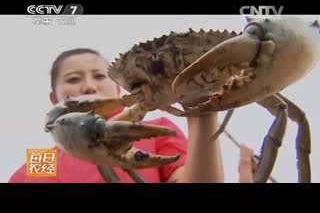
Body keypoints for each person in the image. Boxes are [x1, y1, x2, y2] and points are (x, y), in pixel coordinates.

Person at [9, 48, 225, 183]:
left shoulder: (158, 130)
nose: (89, 87)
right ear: (55, 99)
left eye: (99, 76)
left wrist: (202, 116)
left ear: (118, 89)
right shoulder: (43, 159)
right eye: (73, 79)